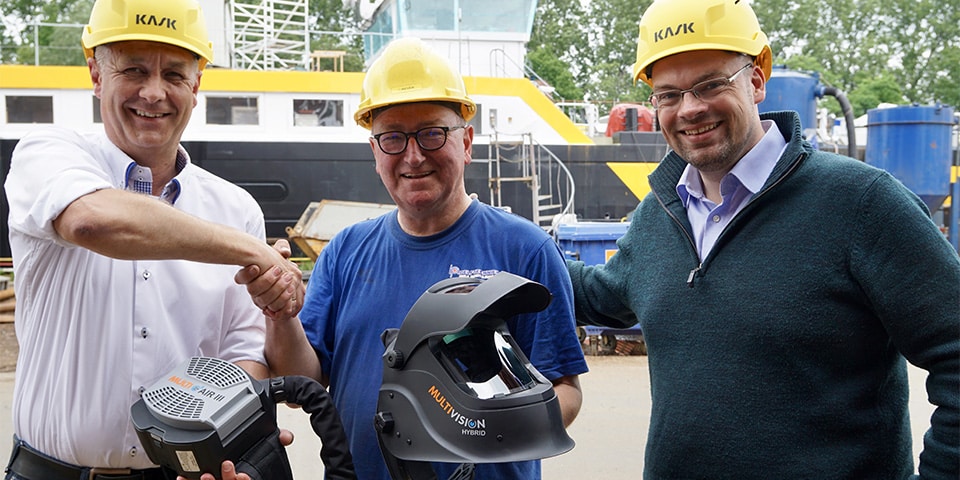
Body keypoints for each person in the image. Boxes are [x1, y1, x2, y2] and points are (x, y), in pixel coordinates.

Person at [566, 0, 960, 479]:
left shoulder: (861, 204)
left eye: (710, 84)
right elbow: (599, 295)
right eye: (668, 94)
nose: (690, 109)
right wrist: (498, 246)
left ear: (756, 80)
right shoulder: (660, 213)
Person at [249, 37, 588, 479]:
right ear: (375, 153)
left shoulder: (525, 249)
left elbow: (565, 393)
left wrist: (470, 430)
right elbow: (304, 386)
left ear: (466, 142)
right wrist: (280, 313)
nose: (413, 155)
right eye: (392, 137)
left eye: (431, 133)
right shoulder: (345, 252)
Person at [2, 1, 303, 479]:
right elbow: (92, 221)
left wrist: (230, 433)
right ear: (96, 74)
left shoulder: (237, 208)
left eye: (175, 74)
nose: (154, 92)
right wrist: (253, 251)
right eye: (134, 68)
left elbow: (244, 355)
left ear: (197, 85)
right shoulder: (48, 153)